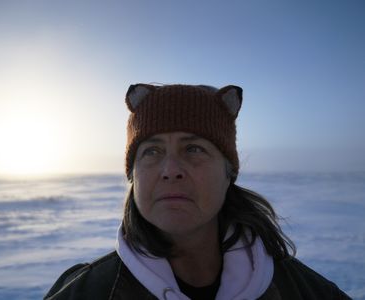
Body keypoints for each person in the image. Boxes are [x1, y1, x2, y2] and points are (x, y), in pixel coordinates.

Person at [44, 84, 351, 300]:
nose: (170, 169)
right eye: (151, 151)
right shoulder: (85, 292)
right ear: (133, 175)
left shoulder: (303, 290)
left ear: (228, 172)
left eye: (194, 148)